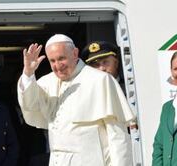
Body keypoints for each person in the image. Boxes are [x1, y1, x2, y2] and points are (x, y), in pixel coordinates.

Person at [17, 34, 134, 166]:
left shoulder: (100, 80)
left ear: (75, 53)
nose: (58, 65)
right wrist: (28, 74)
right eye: (52, 61)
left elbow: (118, 136)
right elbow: (31, 105)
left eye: (61, 58)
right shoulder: (47, 82)